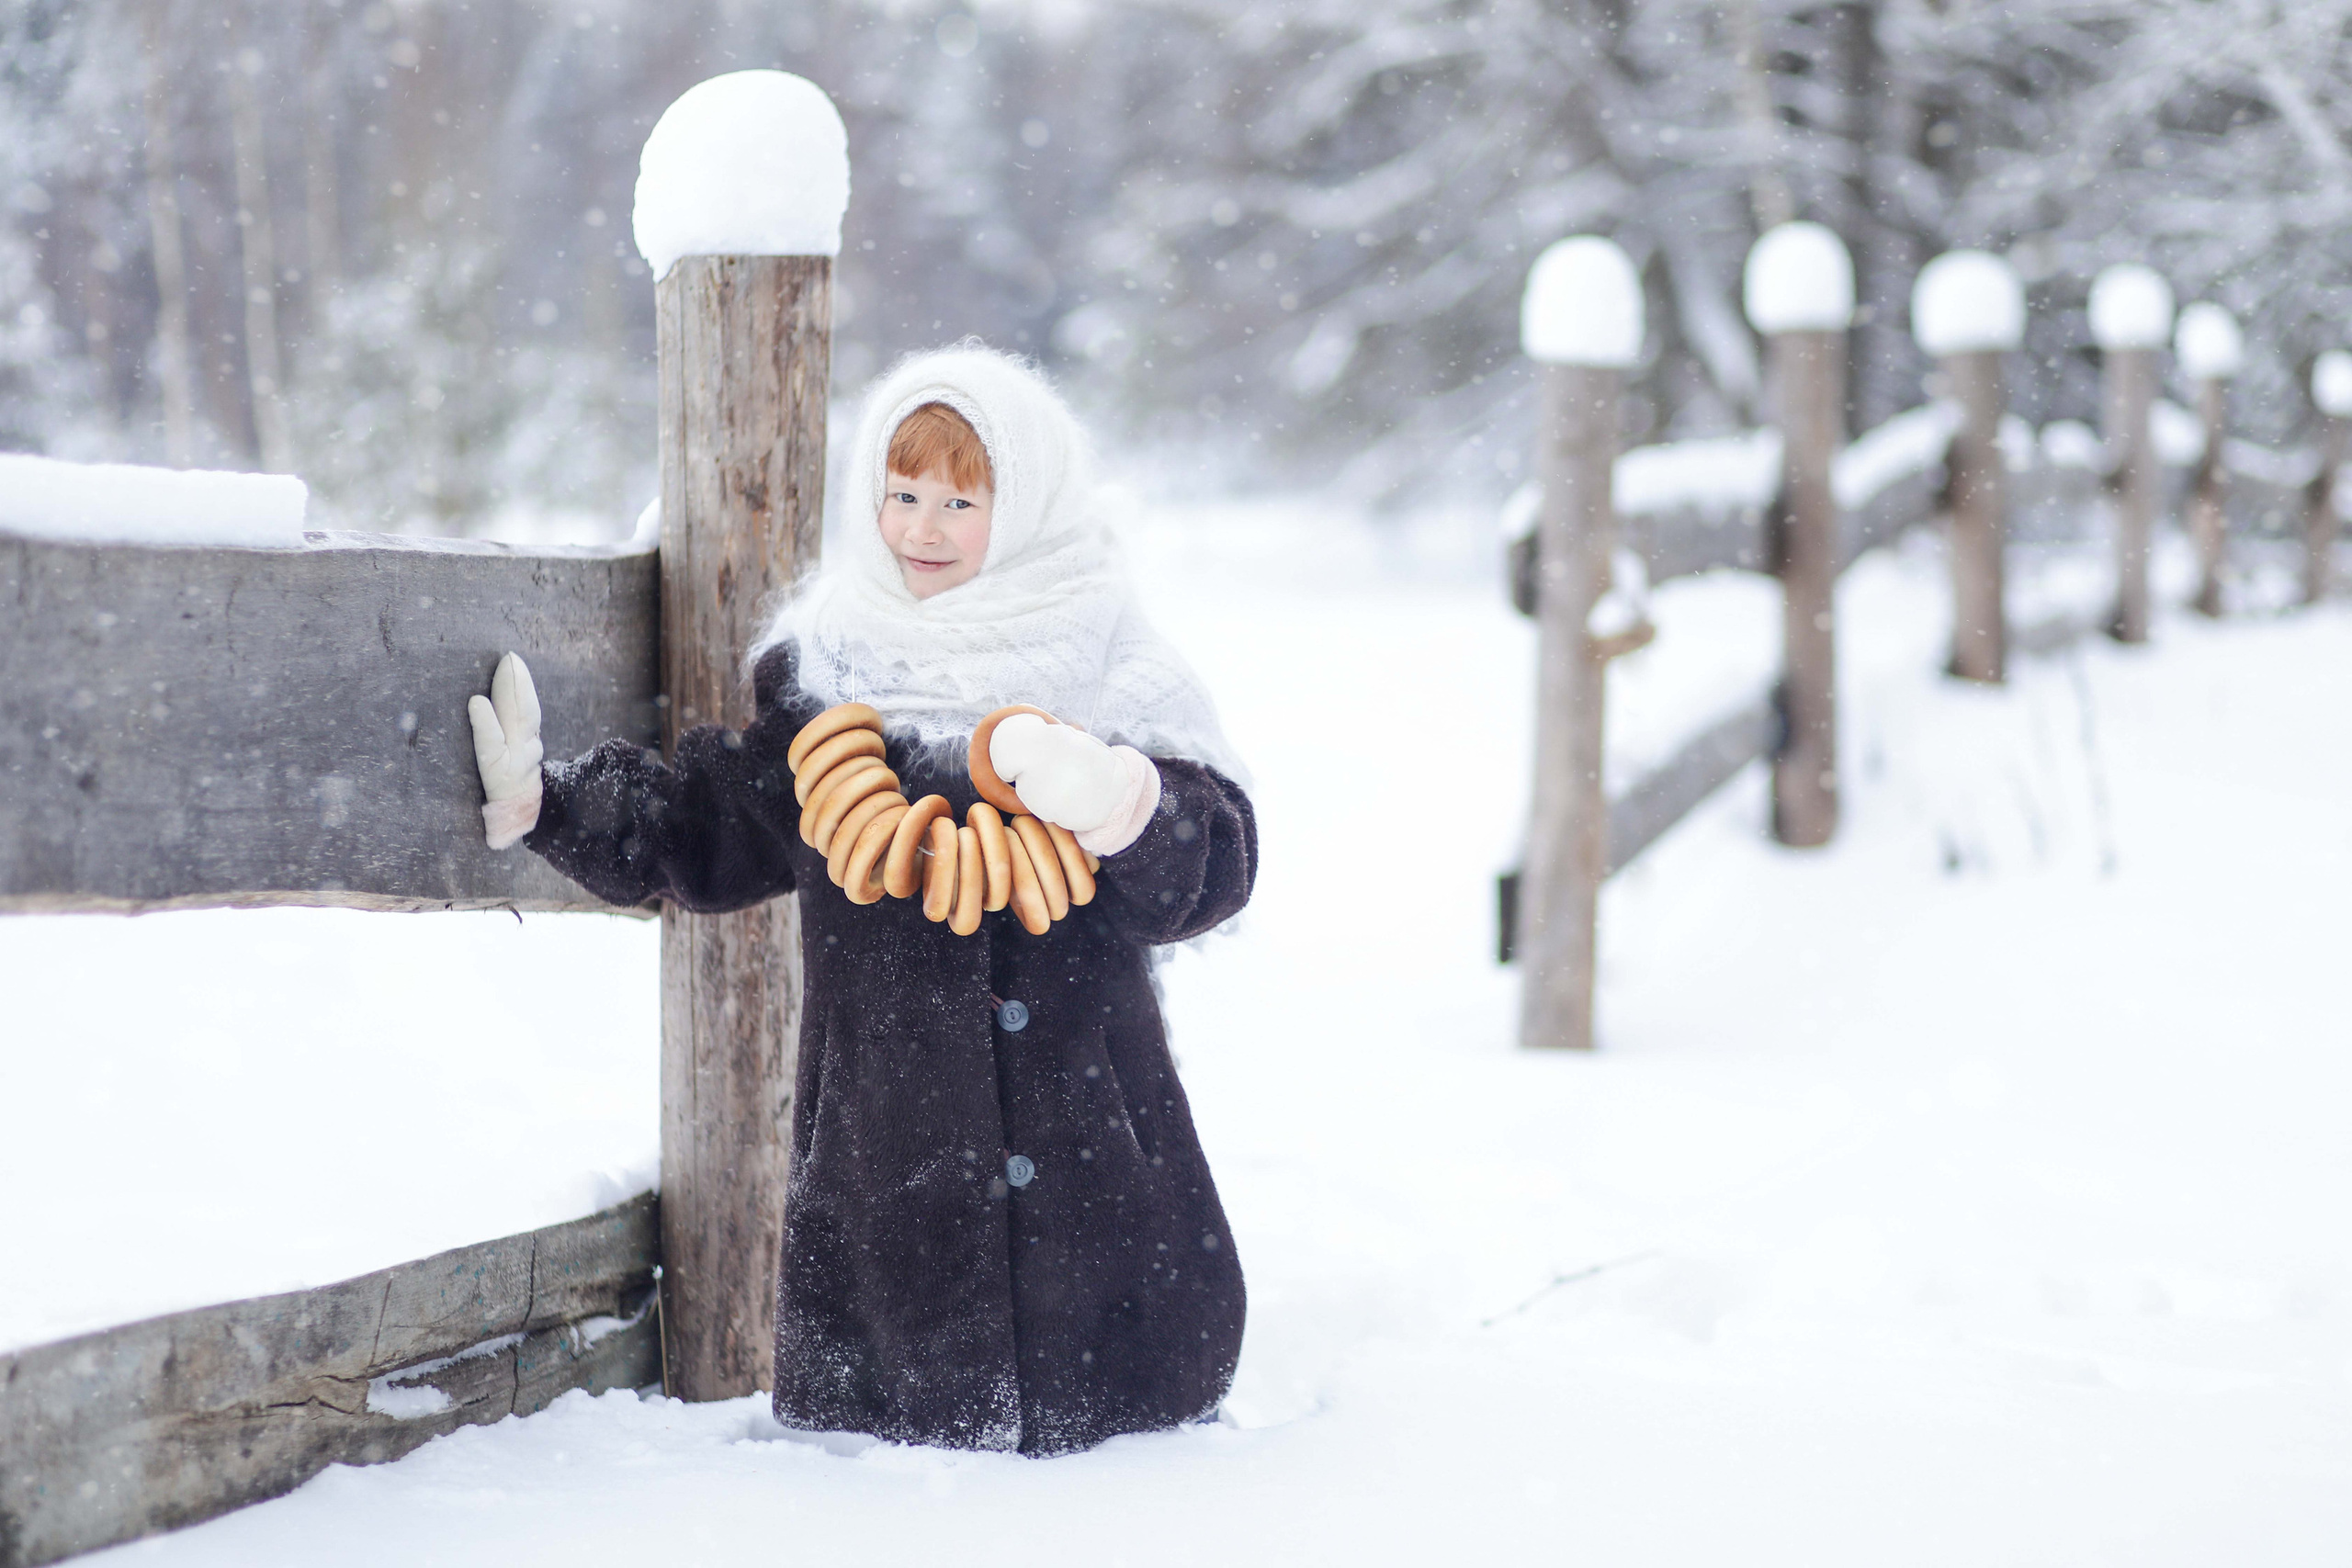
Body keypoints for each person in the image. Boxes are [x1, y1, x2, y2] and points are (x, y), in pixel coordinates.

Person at [464, 344, 1255, 1456]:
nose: (920, 529)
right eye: (901, 493)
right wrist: (545, 803)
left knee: (1126, 1488)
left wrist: (1122, 801)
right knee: (889, 1491)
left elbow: (1214, 869)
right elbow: (706, 830)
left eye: (959, 501)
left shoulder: (1112, 676)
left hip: (1110, 1214)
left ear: (1024, 507)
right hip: (891, 1199)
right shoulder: (830, 684)